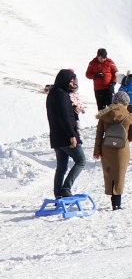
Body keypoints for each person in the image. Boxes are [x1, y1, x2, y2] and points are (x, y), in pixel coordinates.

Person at [92, 92, 132, 210]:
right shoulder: (128, 115)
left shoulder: (105, 115)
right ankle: (116, 203)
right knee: (119, 174)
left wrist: (97, 150)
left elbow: (99, 134)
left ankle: (111, 195)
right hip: (122, 149)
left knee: (109, 172)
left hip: (106, 147)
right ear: (126, 102)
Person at [47, 69, 85, 199]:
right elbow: (64, 117)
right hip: (65, 136)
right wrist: (72, 135)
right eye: (71, 81)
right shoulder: (62, 95)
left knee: (62, 167)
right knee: (81, 161)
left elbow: (59, 113)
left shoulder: (53, 93)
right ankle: (66, 188)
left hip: (56, 137)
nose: (73, 84)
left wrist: (72, 109)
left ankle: (58, 193)